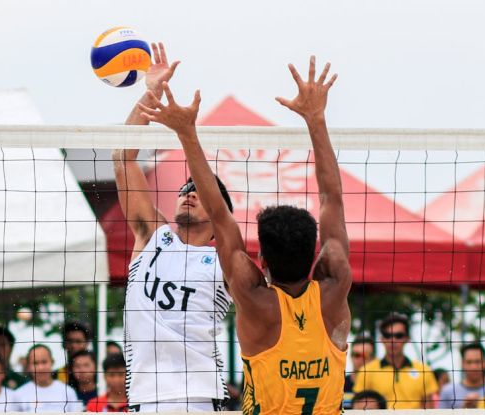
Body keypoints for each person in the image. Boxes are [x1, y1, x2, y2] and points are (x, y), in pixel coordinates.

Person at [138, 55, 351, 414]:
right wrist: (316, 119)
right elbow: (333, 198)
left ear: (262, 261)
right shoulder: (335, 288)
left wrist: (187, 135)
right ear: (316, 253)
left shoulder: (257, 303)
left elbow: (220, 217)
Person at [113, 42, 233, 412]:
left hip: (196, 397)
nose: (187, 193)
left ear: (218, 212)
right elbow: (122, 157)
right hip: (144, 398)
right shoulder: (153, 235)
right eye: (185, 189)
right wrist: (151, 92)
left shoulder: (227, 260)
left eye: (198, 192)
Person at [353, 313, 439, 409]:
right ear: (381, 339)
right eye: (387, 335)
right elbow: (359, 407)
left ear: (407, 338)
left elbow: (429, 409)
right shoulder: (366, 371)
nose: (393, 340)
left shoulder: (424, 370)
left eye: (399, 335)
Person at [9, 344, 82, 412]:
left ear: (52, 362)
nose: (41, 368)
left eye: (44, 362)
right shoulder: (18, 395)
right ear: (28, 366)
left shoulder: (68, 392)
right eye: (35, 363)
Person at [438, 342, 485, 408]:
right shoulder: (447, 391)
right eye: (469, 362)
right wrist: (464, 409)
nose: (473, 367)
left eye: (478, 362)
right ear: (462, 363)